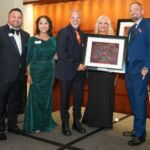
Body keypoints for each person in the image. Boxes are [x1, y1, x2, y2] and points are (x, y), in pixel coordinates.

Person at [23, 16, 57, 133]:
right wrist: (29, 75)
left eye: (46, 23)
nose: (43, 26)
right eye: (41, 23)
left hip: (49, 73)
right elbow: (28, 59)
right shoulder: (32, 40)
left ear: (49, 25)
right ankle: (35, 124)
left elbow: (55, 55)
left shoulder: (53, 40)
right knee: (35, 98)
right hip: (36, 73)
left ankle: (45, 123)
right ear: (37, 25)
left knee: (47, 98)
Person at [123, 1, 150, 146]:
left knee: (139, 102)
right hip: (129, 71)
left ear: (142, 10)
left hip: (141, 71)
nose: (133, 12)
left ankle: (140, 135)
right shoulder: (131, 29)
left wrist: (147, 66)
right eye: (131, 10)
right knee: (133, 101)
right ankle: (136, 129)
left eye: (136, 9)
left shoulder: (148, 25)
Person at [0, 8, 29, 140]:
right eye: (14, 17)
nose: (16, 19)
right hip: (3, 76)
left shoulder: (26, 35)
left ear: (21, 20)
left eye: (19, 17)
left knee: (14, 102)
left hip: (19, 76)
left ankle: (12, 125)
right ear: (8, 17)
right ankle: (0, 128)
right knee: (1, 103)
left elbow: (25, 56)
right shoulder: (0, 32)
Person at [56, 10, 86, 136]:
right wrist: (76, 65)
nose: (75, 20)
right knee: (65, 100)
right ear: (69, 19)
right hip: (66, 73)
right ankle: (65, 124)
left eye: (77, 18)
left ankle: (76, 122)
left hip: (79, 74)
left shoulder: (82, 34)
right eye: (73, 17)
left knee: (78, 99)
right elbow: (62, 53)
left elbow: (84, 53)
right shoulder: (63, 32)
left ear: (80, 19)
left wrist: (85, 63)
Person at [82, 16, 116, 129]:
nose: (103, 25)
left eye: (105, 23)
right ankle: (91, 119)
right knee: (94, 95)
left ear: (108, 26)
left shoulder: (115, 39)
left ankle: (104, 121)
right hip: (94, 73)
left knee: (106, 95)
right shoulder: (91, 38)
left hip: (108, 73)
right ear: (97, 25)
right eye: (100, 23)